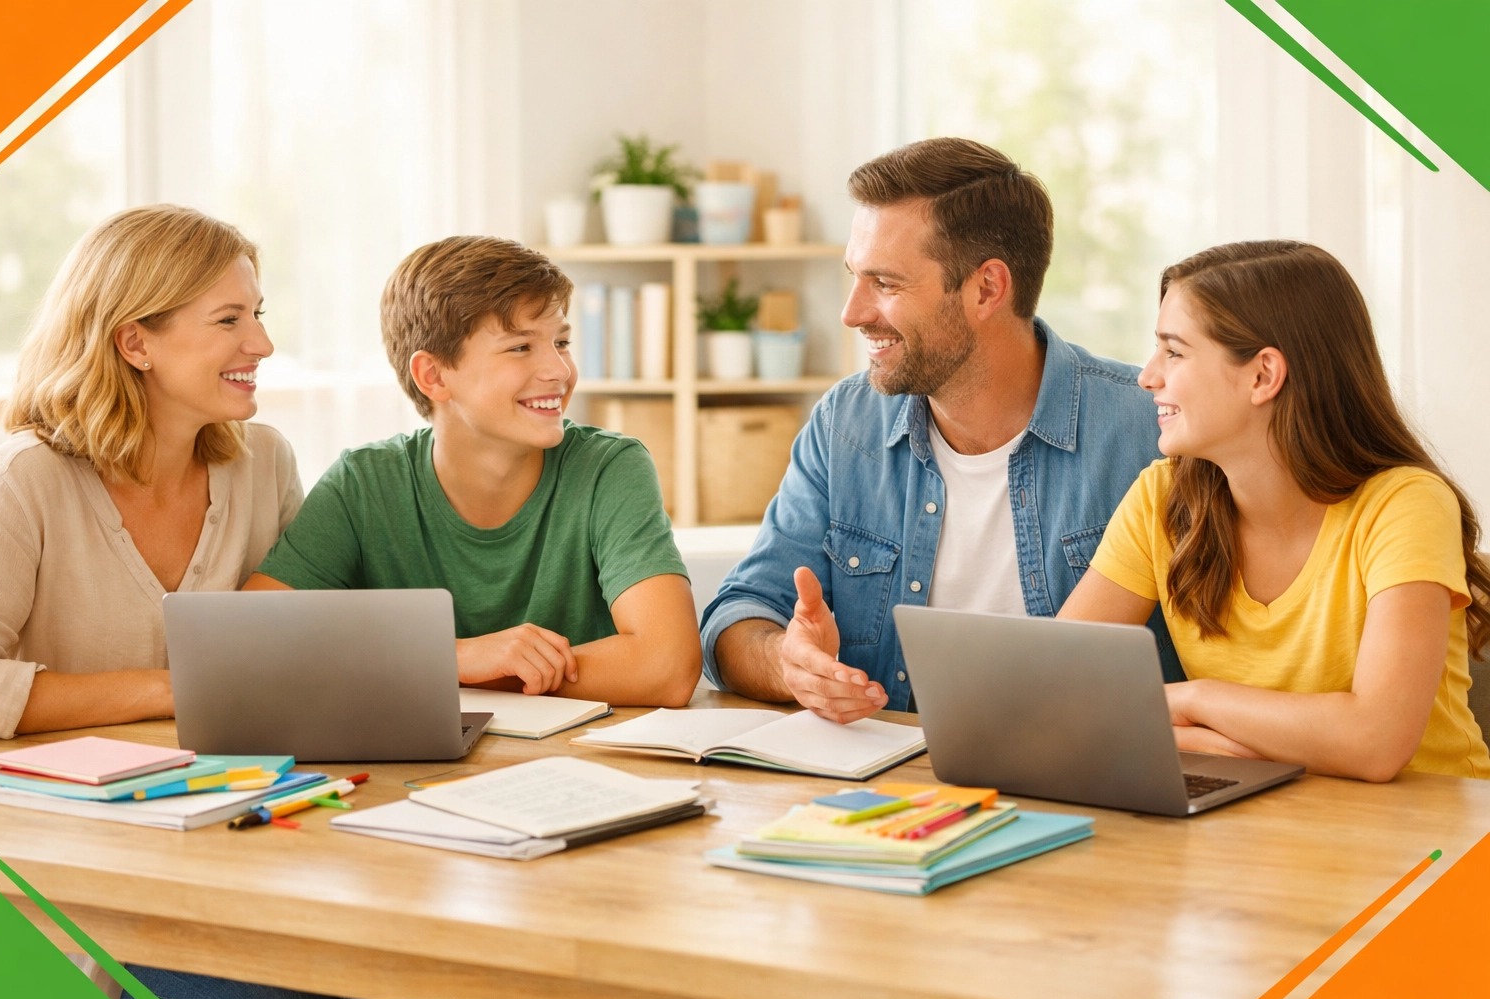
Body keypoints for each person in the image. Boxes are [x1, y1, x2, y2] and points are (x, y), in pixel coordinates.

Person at [702, 137, 1177, 722]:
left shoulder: (1151, 430)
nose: (851, 313)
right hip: (896, 770)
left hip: (1096, 770)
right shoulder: (845, 425)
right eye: (855, 277)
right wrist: (787, 663)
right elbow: (738, 617)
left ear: (987, 289)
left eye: (885, 283)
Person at [1059, 240, 1490, 781]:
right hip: (1260, 815)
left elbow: (1376, 742)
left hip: (1432, 826)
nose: (1148, 376)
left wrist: (1193, 700)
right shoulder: (1160, 499)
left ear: (1263, 375)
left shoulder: (1406, 505)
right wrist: (1209, 742)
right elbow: (1056, 688)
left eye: (1174, 352)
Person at [245, 235, 700, 707]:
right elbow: (249, 640)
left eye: (561, 343)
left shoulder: (609, 468)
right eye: (520, 347)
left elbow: (667, 667)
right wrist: (454, 657)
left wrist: (462, 672)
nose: (560, 370)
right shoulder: (363, 484)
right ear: (434, 376)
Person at [0, 204, 299, 741]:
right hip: (61, 793)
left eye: (258, 313)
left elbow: (304, 651)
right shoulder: (22, 480)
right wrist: (167, 691)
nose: (263, 345)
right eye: (229, 319)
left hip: (231, 779)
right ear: (136, 343)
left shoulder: (265, 462)